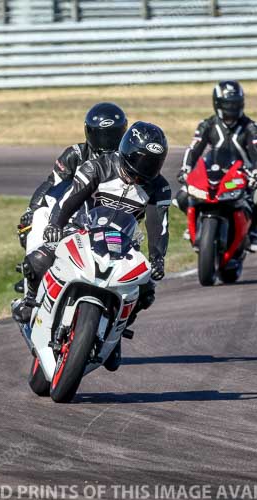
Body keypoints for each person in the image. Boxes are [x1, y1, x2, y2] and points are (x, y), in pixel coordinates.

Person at [13, 121, 172, 372]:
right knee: (39, 259)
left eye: (153, 162)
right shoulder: (98, 166)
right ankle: (30, 302)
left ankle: (114, 332)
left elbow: (158, 226)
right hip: (80, 228)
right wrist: (57, 223)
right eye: (141, 159)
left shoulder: (159, 186)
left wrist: (158, 258)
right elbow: (72, 198)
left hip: (122, 242)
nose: (145, 168)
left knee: (146, 290)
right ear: (127, 149)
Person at [175, 80, 257, 245]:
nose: (232, 109)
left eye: (235, 104)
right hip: (212, 172)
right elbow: (193, 150)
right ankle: (196, 224)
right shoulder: (206, 125)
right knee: (182, 197)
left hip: (242, 176)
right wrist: (186, 169)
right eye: (227, 104)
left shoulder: (251, 127)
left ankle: (251, 228)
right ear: (217, 104)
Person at [18, 102, 128, 249]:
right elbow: (52, 184)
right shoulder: (75, 154)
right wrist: (31, 210)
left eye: (112, 136)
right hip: (73, 214)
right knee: (38, 217)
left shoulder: (127, 162)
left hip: (109, 218)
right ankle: (36, 259)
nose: (107, 141)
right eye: (102, 135)